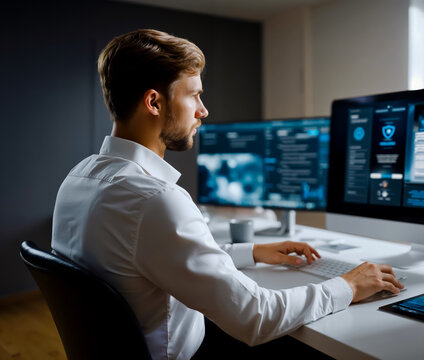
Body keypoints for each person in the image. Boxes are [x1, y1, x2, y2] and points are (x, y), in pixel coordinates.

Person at [51, 29, 403, 360]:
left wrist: (253, 252)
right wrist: (348, 285)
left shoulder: (79, 177)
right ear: (154, 103)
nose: (203, 111)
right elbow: (256, 317)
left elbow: (150, 254)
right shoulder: (155, 199)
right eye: (194, 95)